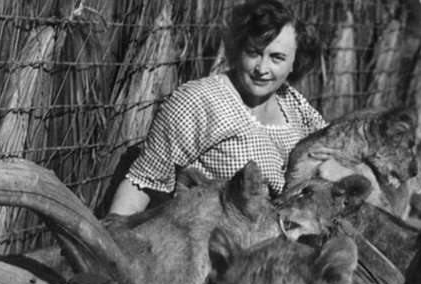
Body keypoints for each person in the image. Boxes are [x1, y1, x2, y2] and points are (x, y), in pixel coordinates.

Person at [108, 0, 327, 216]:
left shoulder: (294, 104)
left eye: (277, 58)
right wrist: (114, 240)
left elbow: (334, 148)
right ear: (239, 49)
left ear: (295, 62)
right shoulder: (198, 101)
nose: (262, 68)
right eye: (254, 52)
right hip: (210, 238)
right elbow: (143, 182)